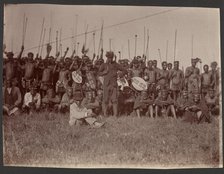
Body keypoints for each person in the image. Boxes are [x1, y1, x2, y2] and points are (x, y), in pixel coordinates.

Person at [98, 51, 127, 117]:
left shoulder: (115, 64)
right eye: (108, 58)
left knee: (114, 100)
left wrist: (120, 75)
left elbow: (124, 70)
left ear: (112, 58)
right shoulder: (103, 65)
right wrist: (104, 73)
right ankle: (105, 114)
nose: (110, 59)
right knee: (105, 100)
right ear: (107, 57)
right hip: (106, 85)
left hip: (114, 85)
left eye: (111, 58)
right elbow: (99, 73)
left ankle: (115, 115)